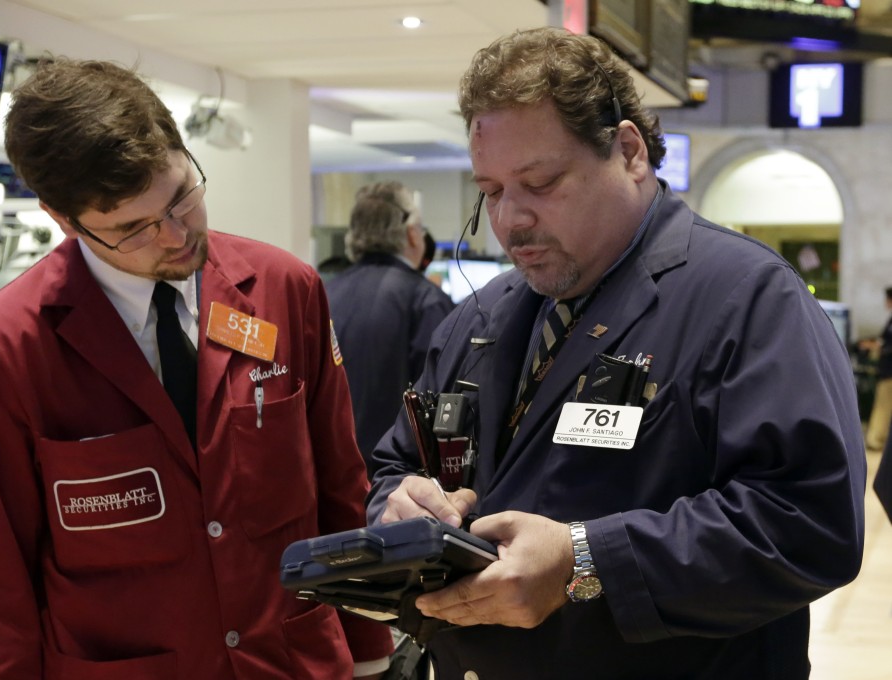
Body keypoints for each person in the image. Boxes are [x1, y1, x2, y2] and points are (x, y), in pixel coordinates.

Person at [366, 27, 866, 679]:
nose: (510, 219)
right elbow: (396, 464)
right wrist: (399, 505)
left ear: (628, 151)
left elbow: (811, 522)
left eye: (540, 182)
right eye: (490, 191)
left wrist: (585, 561)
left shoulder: (745, 299)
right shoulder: (481, 316)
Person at [0, 57, 392, 679]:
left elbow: (339, 485)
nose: (176, 235)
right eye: (133, 228)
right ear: (62, 220)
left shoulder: (286, 289)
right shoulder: (3, 351)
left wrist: (368, 659)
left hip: (292, 663)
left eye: (182, 197)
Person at [325, 182, 454, 472]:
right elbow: (443, 402)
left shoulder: (323, 294)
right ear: (411, 234)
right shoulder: (426, 301)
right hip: (397, 479)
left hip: (334, 477)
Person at [860, 286, 892, 451]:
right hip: (886, 369)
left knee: (883, 406)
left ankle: (876, 440)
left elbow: (888, 345)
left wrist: (875, 346)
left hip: (889, 371)